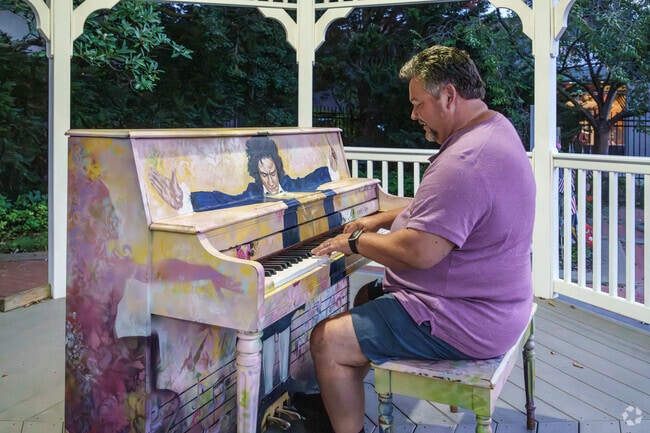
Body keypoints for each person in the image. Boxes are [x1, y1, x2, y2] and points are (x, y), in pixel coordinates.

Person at [309, 45, 536, 433]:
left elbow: (419, 252)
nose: (414, 115)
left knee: (326, 339)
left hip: (467, 320)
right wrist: (383, 217)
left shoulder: (466, 162)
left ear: (449, 95)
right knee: (368, 297)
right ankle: (339, 396)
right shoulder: (494, 129)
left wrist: (354, 242)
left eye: (418, 104)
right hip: (497, 303)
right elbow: (443, 211)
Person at [148, 136, 339, 212]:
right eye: (264, 175)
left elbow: (311, 179)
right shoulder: (252, 192)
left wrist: (331, 168)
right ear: (257, 175)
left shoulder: (290, 184)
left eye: (273, 173)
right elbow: (222, 200)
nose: (271, 180)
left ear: (278, 170)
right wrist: (187, 199)